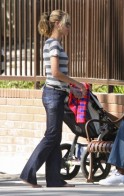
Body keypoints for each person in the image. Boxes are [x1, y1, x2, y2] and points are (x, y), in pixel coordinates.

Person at [20, 10, 87, 188]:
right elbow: (56, 72)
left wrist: (71, 88)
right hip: (53, 95)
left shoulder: (52, 44)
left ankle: (54, 179)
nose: (70, 28)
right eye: (68, 24)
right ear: (58, 24)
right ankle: (28, 173)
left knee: (55, 137)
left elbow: (54, 75)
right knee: (51, 136)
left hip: (56, 93)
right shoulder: (54, 45)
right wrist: (77, 84)